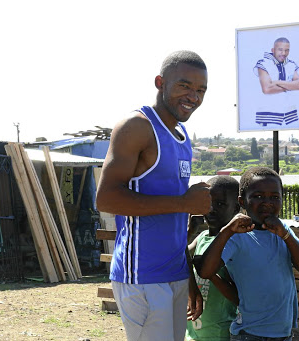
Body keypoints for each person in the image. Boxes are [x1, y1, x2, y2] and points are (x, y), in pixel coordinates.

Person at [95, 50, 212, 341]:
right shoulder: (137, 127)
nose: (193, 97)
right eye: (184, 86)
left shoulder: (182, 137)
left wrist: (188, 278)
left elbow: (174, 223)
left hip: (174, 274)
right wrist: (185, 203)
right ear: (160, 82)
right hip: (142, 277)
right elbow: (106, 198)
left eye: (201, 90)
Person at [198, 167, 299, 340]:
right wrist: (227, 231)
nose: (267, 202)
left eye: (275, 197)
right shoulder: (238, 236)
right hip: (249, 334)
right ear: (242, 202)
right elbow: (206, 271)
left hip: (284, 334)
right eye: (258, 196)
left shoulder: (283, 231)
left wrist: (285, 235)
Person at [186, 175, 240, 341]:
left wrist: (210, 274)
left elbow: (238, 298)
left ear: (236, 209)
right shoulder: (202, 237)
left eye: (220, 204)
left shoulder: (235, 243)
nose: (212, 209)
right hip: (193, 331)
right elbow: (179, 255)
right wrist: (189, 231)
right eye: (209, 202)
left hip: (218, 333)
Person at [254, 37, 299, 127]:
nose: (284, 53)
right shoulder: (263, 63)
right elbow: (267, 89)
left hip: (290, 114)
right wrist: (290, 86)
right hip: (267, 115)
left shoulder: (291, 64)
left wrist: (276, 82)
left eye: (287, 50)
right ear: (273, 50)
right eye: (280, 50)